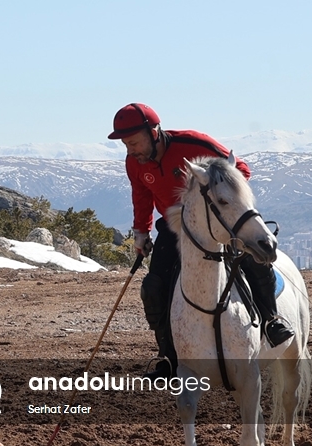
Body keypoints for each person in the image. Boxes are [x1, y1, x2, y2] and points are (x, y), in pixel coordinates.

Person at [108, 103, 293, 379]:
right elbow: (142, 195)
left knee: (255, 263)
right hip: (174, 227)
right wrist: (141, 232)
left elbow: (239, 169)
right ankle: (169, 359)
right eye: (125, 144)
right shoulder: (135, 162)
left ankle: (271, 322)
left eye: (133, 142)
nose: (130, 150)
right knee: (153, 287)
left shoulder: (193, 143)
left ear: (153, 131)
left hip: (218, 220)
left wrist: (224, 202)